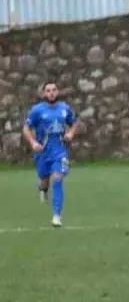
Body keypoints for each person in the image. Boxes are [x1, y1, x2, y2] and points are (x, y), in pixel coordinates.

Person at [23, 82, 78, 228]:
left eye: (54, 90)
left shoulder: (65, 109)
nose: (51, 93)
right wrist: (33, 142)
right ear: (43, 94)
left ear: (58, 92)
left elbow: (73, 123)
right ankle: (43, 188)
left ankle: (56, 216)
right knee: (44, 180)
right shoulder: (37, 111)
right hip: (42, 152)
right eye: (48, 91)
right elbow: (26, 128)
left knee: (57, 180)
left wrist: (70, 133)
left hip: (60, 152)